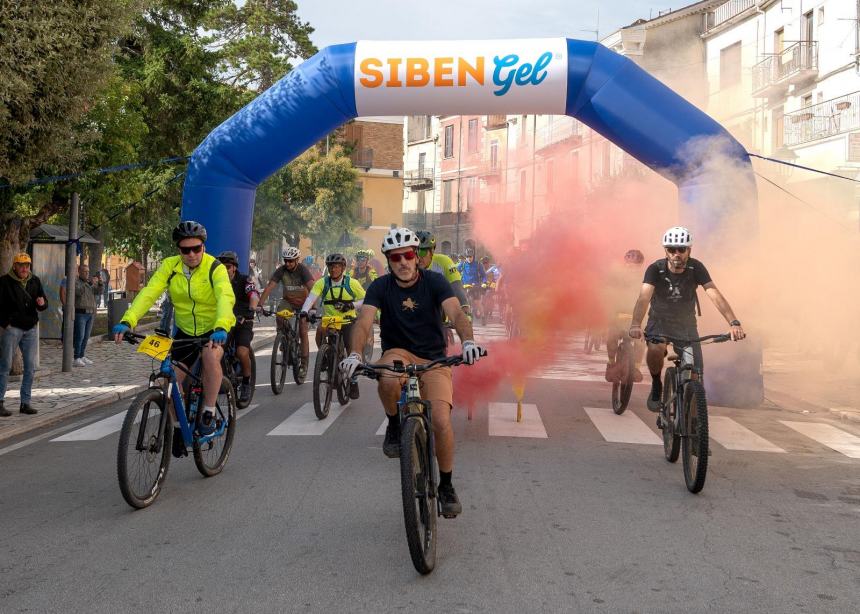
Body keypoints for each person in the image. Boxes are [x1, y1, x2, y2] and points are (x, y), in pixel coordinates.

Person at [340, 228, 485, 517]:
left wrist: (468, 341)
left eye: (409, 255)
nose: (403, 262)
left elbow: (456, 314)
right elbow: (364, 322)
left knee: (442, 422)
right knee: (388, 377)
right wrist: (355, 354)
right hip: (399, 353)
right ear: (388, 260)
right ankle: (394, 424)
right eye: (396, 257)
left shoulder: (435, 282)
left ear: (417, 256)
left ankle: (446, 485)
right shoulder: (379, 287)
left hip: (434, 357)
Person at [112, 221, 235, 439]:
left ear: (203, 247)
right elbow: (149, 292)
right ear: (179, 250)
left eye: (196, 248)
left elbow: (225, 296)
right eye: (185, 250)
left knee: (209, 356)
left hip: (214, 329)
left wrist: (222, 326)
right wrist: (128, 320)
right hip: (185, 332)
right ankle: (178, 427)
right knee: (166, 382)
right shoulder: (170, 266)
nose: (191, 254)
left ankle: (208, 411)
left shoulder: (215, 268)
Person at [629, 227, 746, 413]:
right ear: (665, 251)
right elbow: (643, 298)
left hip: (686, 324)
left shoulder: (696, 268)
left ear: (689, 250)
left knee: (695, 372)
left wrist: (734, 323)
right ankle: (657, 384)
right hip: (659, 321)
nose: (677, 254)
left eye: (681, 249)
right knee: (655, 349)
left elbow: (714, 294)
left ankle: (692, 417)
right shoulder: (655, 269)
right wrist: (635, 324)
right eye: (672, 249)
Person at [300, 253, 366, 398]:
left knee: (351, 349)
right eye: (331, 266)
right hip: (330, 320)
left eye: (336, 266)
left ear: (343, 268)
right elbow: (311, 297)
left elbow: (365, 299)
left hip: (348, 320)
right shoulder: (322, 282)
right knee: (319, 331)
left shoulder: (352, 283)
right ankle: (324, 356)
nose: (333, 269)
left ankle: (353, 380)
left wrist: (351, 305)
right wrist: (304, 311)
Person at [0, 253, 48, 416]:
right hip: (12, 328)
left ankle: (25, 403)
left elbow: (43, 302)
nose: (24, 268)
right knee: (5, 365)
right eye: (21, 265)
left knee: (30, 367)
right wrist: (6, 323)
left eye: (27, 265)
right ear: (14, 266)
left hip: (31, 328)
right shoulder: (5, 281)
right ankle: (0, 402)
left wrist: (42, 304)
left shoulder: (35, 281)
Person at [259, 246, 315, 379]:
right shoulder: (281, 270)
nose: (288, 263)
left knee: (302, 329)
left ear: (297, 260)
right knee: (280, 315)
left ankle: (304, 364)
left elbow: (314, 289)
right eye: (286, 261)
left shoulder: (303, 270)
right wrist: (260, 305)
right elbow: (270, 286)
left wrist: (313, 308)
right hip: (288, 301)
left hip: (304, 303)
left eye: (291, 261)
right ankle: (283, 337)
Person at [218, 251, 259, 404]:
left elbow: (253, 294)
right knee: (215, 350)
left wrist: (251, 309)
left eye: (228, 267)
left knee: (242, 352)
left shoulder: (244, 280)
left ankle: (247, 382)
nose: (225, 270)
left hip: (243, 320)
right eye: (221, 267)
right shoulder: (216, 281)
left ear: (234, 267)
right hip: (224, 321)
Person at [605, 249, 646, 383]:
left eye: (635, 265)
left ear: (640, 266)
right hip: (617, 314)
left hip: (637, 317)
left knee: (640, 342)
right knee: (611, 337)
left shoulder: (645, 278)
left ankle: (636, 368)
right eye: (629, 263)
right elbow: (607, 293)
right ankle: (611, 363)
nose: (631, 267)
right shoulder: (616, 276)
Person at [415, 230, 470, 315]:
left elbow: (456, 285)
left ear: (432, 251)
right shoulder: (408, 266)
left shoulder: (443, 261)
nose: (418, 257)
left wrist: (464, 305)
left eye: (422, 252)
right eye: (414, 252)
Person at [62, 263, 100, 367]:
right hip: (81, 313)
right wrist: (90, 284)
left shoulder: (89, 283)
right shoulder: (75, 281)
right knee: (80, 336)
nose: (87, 274)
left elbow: (99, 292)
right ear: (79, 272)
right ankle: (76, 357)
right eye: (85, 272)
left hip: (90, 313)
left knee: (86, 337)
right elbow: (78, 292)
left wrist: (100, 283)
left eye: (88, 272)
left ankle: (82, 355)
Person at [459, 248, 487, 319]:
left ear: (473, 256)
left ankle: (483, 316)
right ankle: (466, 316)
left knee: (477, 303)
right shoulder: (463, 264)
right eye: (467, 256)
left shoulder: (478, 264)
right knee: (464, 303)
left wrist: (484, 282)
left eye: (470, 256)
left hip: (476, 286)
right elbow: (455, 271)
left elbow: (483, 275)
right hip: (465, 286)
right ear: (466, 257)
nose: (469, 258)